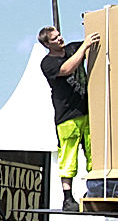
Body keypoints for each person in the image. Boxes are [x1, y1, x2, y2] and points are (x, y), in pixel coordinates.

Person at [38, 26, 99, 211]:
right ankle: (68, 199)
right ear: (47, 44)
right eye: (55, 39)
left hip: (86, 111)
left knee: (93, 154)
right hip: (66, 116)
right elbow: (66, 68)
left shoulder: (73, 48)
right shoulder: (47, 63)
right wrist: (85, 46)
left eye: (59, 36)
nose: (60, 39)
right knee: (68, 157)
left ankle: (95, 191)